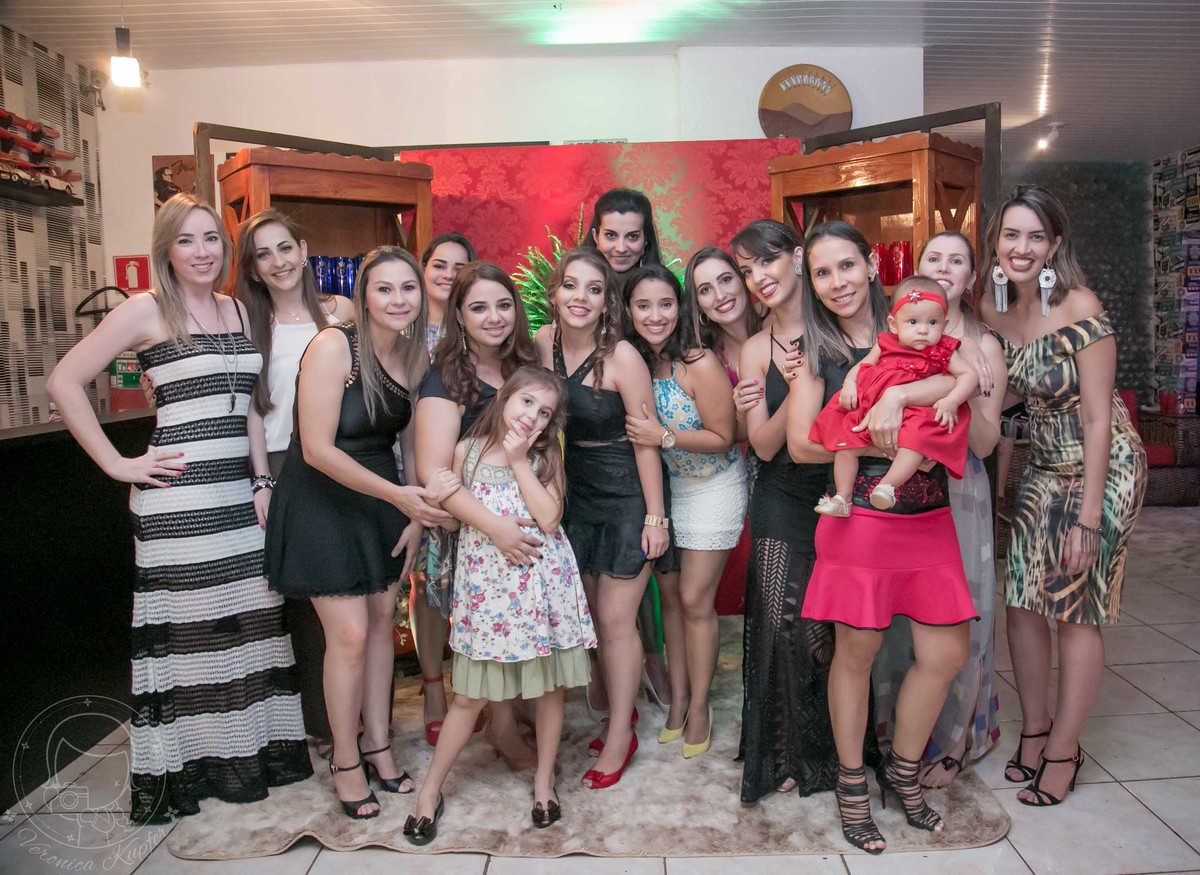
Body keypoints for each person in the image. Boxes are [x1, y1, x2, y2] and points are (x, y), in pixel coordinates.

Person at [45, 193, 312, 823]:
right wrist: (118, 464)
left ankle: (246, 757)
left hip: (237, 496)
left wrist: (261, 481)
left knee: (248, 627)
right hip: (179, 503)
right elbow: (63, 381)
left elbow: (251, 407)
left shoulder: (236, 308)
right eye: (186, 240)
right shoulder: (145, 309)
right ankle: (191, 769)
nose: (201, 251)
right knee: (190, 641)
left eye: (211, 238)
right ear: (166, 249)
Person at [787, 221, 977, 853]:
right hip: (861, 515)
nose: (836, 281)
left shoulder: (926, 322)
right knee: (857, 652)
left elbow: (960, 384)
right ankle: (852, 785)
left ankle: (903, 769)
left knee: (945, 653)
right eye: (822, 272)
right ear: (812, 283)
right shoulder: (816, 350)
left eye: (846, 265)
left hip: (930, 516)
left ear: (872, 266)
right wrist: (880, 429)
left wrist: (904, 395)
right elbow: (801, 444)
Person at [264, 246, 451, 820]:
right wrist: (398, 497)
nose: (398, 299)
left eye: (408, 288)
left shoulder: (415, 358)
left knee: (379, 629)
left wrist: (415, 514)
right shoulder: (333, 346)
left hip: (380, 503)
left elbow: (410, 447)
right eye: (384, 288)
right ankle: (345, 760)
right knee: (347, 635)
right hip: (321, 499)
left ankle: (378, 745)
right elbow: (317, 449)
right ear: (363, 295)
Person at [980, 184, 1146, 807]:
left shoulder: (1080, 305)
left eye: (1036, 237)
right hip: (1044, 464)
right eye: (1011, 235)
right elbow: (1001, 394)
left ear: (1054, 245)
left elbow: (1100, 418)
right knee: (1022, 602)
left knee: (1075, 608)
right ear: (996, 242)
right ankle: (1035, 728)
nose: (1022, 248)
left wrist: (1088, 518)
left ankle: (1064, 750)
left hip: (1104, 467)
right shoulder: (991, 308)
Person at [404, 366, 597, 844]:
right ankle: (430, 792)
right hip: (487, 593)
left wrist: (517, 460)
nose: (533, 416)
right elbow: (456, 524)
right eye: (526, 402)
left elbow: (549, 518)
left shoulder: (545, 454)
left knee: (548, 688)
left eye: (545, 412)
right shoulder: (466, 451)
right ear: (504, 397)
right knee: (469, 697)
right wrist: (442, 498)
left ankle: (544, 782)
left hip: (540, 589)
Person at [533, 248, 676, 789]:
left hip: (626, 496)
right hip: (573, 496)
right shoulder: (541, 343)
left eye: (594, 289)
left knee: (617, 622)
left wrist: (656, 518)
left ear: (606, 302)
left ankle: (621, 734)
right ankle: (621, 710)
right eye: (571, 285)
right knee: (593, 619)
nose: (581, 298)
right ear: (555, 292)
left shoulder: (622, 357)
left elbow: (645, 442)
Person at [872, 231, 1007, 788]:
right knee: (900, 619)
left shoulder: (983, 346)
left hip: (959, 487)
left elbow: (987, 442)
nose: (945, 267)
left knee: (962, 616)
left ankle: (952, 741)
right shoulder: (896, 337)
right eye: (934, 258)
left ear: (971, 278)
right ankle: (896, 732)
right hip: (902, 489)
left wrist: (958, 389)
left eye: (957, 261)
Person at [235, 208, 353, 759]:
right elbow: (252, 410)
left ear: (304, 251)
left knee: (340, 597)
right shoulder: (250, 325)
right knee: (297, 602)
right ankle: (314, 725)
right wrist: (262, 479)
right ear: (253, 268)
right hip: (283, 464)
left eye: (285, 248)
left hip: (340, 461)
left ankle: (346, 723)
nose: (278, 261)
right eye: (263, 254)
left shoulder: (341, 312)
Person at [729, 218, 840, 803]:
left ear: (796, 257)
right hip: (779, 494)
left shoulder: (840, 327)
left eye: (765, 262)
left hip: (840, 492)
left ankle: (828, 748)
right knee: (778, 624)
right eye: (747, 271)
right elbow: (765, 445)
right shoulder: (755, 348)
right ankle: (781, 749)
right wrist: (796, 389)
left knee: (827, 632)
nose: (757, 278)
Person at [414, 260, 541, 769]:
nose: (494, 317)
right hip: (474, 529)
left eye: (504, 305)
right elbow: (434, 474)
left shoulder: (523, 368)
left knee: (519, 623)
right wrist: (494, 527)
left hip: (526, 518)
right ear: (459, 316)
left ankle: (511, 714)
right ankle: (501, 727)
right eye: (479, 307)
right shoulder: (445, 379)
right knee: (487, 633)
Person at [623, 263, 746, 757]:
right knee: (671, 598)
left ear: (681, 307)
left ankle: (699, 707)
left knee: (695, 598)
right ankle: (678, 700)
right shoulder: (635, 362)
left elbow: (725, 436)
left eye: (666, 304)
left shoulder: (699, 361)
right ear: (629, 311)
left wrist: (665, 436)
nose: (656, 316)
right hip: (670, 490)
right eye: (644, 305)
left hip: (715, 486)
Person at [580, 187, 673, 716]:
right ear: (595, 235)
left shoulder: (654, 290)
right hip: (588, 463)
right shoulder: (581, 292)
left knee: (645, 576)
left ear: (646, 238)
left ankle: (651, 663)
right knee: (599, 589)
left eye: (632, 236)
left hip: (648, 450)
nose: (621, 246)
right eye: (611, 234)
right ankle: (612, 674)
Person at [809, 275, 978, 516]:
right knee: (846, 443)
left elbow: (969, 376)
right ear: (893, 324)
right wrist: (850, 384)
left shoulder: (944, 350)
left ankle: (888, 486)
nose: (923, 329)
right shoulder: (885, 343)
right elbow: (863, 365)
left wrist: (952, 400)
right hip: (873, 407)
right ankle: (842, 497)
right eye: (912, 322)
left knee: (916, 442)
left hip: (918, 412)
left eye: (932, 322)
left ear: (944, 324)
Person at [420, 232, 476, 351]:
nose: (449, 275)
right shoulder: (401, 325)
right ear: (424, 268)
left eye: (459, 269)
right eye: (439, 266)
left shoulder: (478, 329)